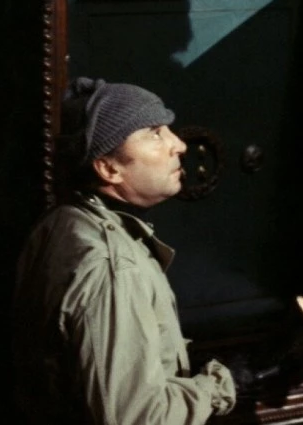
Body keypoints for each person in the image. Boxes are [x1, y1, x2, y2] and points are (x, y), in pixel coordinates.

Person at [12, 77, 238, 425]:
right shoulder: (112, 266)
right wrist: (218, 387)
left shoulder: (60, 222)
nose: (178, 144)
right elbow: (136, 418)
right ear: (108, 168)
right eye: (154, 133)